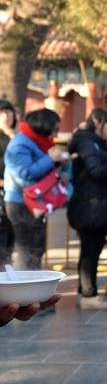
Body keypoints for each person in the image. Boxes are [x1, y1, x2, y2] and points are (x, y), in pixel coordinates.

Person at [68, 108, 107, 310]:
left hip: (96, 205)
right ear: (98, 121)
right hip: (89, 205)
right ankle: (88, 294)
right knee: (90, 251)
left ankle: (85, 292)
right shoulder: (88, 143)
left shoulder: (96, 143)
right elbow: (97, 171)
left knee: (92, 249)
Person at [3, 108, 66, 270]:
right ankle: (26, 287)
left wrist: (57, 161)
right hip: (20, 202)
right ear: (43, 126)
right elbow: (25, 173)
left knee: (35, 247)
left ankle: (32, 285)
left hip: (32, 201)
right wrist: (50, 158)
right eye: (55, 129)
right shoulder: (20, 143)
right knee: (27, 249)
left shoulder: (35, 141)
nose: (55, 134)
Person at [0, 99, 17, 264]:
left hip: (14, 195)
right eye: (2, 112)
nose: (6, 116)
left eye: (9, 112)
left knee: (10, 239)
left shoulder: (18, 137)